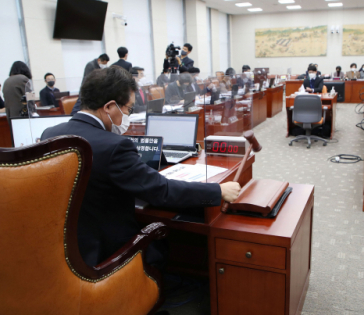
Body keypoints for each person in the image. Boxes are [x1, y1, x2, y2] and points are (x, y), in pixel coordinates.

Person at [40, 66, 241, 267]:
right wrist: (218, 190)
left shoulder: (50, 134)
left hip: (66, 247)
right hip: (108, 251)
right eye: (128, 109)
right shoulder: (114, 146)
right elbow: (162, 191)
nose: (128, 114)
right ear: (109, 107)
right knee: (163, 244)